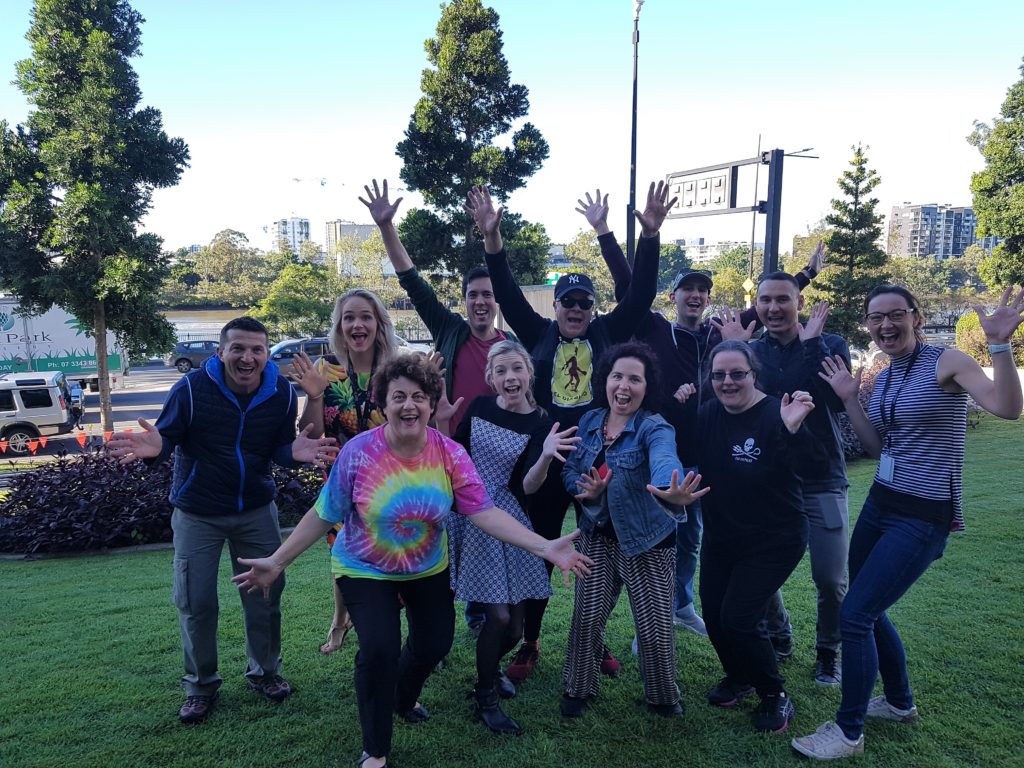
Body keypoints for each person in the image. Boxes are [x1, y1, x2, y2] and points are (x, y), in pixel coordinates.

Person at [230, 354, 593, 768]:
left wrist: (543, 546)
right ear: (384, 403)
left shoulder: (450, 454)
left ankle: (403, 699)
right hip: (364, 566)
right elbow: (323, 513)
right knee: (380, 649)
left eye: (418, 397)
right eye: (398, 396)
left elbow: (484, 511)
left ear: (430, 402)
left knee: (434, 644)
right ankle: (376, 749)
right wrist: (278, 560)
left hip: (426, 568)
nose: (408, 405)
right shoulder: (358, 452)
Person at [578, 189, 825, 640]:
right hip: (660, 453)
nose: (695, 295)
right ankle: (658, 615)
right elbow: (629, 289)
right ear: (673, 296)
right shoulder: (654, 328)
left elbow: (770, 304)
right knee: (664, 537)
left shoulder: (720, 334)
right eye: (687, 289)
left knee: (707, 539)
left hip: (716, 452)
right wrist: (605, 233)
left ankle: (685, 605)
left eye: (702, 290)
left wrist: (805, 274)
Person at [792, 285, 1024, 760]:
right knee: (865, 605)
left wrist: (999, 345)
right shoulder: (887, 372)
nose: (885, 326)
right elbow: (878, 448)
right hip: (882, 502)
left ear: (915, 317)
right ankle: (898, 703)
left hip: (924, 512)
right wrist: (849, 397)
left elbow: (1007, 406)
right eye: (876, 318)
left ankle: (848, 731)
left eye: (896, 314)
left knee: (854, 615)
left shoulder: (949, 362)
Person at [469, 182, 670, 682]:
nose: (576, 309)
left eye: (584, 301)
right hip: (546, 453)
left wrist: (648, 236)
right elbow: (508, 291)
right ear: (555, 306)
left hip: (600, 454)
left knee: (596, 548)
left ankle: (593, 637)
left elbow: (642, 292)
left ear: (593, 308)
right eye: (567, 301)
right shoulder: (537, 333)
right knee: (540, 546)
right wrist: (492, 239)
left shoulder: (609, 332)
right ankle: (531, 641)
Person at [107, 317, 338, 725]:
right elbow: (166, 438)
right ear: (221, 353)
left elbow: (279, 448)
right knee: (196, 600)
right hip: (198, 512)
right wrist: (157, 446)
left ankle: (265, 672)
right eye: (238, 349)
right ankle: (200, 685)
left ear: (267, 355)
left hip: (255, 509)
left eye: (256, 350)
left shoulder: (281, 394)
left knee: (265, 595)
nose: (247, 357)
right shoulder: (192, 390)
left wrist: (293, 452)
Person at [359, 178, 518, 635]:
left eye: (489, 295)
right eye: (474, 295)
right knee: (438, 538)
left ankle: (480, 610)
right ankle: (435, 624)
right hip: (442, 452)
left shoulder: (514, 351)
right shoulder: (451, 330)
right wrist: (387, 228)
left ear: (498, 301)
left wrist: (493, 235)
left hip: (493, 462)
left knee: (488, 533)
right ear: (465, 302)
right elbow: (411, 280)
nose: (482, 301)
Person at [559, 342, 707, 719]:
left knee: (654, 626)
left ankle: (662, 697)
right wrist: (584, 489)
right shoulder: (591, 422)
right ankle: (578, 688)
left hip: (648, 541)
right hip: (598, 536)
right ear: (605, 381)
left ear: (647, 386)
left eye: (634, 379)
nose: (624, 386)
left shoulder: (654, 427)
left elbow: (664, 460)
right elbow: (569, 469)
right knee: (586, 617)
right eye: (617, 376)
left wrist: (669, 488)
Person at [683, 340, 822, 733]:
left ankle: (774, 693)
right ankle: (739, 675)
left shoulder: (779, 412)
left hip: (776, 537)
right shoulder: (707, 414)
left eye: (737, 374)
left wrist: (794, 430)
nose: (728, 382)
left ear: (753, 374)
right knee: (713, 615)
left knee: (739, 617)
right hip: (723, 536)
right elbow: (683, 454)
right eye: (719, 375)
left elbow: (813, 467)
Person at [441, 340, 579, 735]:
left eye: (516, 369)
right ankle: (485, 696)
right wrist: (441, 425)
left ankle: (490, 668)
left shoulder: (540, 421)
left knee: (516, 628)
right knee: (498, 615)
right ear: (491, 377)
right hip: (473, 513)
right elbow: (454, 455)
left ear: (528, 374)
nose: (509, 378)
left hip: (511, 516)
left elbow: (530, 486)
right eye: (500, 371)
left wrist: (547, 454)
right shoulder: (480, 407)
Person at [750, 274, 851, 686]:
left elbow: (833, 401)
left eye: (783, 300)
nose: (773, 308)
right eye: (765, 300)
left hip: (822, 476)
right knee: (757, 568)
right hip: (771, 479)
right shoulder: (752, 351)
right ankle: (779, 632)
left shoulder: (831, 344)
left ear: (798, 301)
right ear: (756, 303)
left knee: (830, 576)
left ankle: (829, 650)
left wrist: (812, 346)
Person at [291, 288, 399, 655]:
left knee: (392, 555)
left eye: (365, 316)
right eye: (349, 317)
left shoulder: (396, 370)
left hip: (391, 482)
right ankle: (340, 620)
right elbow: (312, 433)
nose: (357, 324)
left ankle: (396, 630)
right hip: (341, 481)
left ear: (378, 323)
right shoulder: (327, 370)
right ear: (340, 325)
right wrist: (316, 396)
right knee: (342, 553)